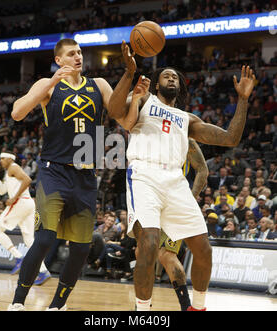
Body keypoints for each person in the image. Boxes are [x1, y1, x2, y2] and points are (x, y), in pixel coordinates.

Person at [108, 40, 255, 311]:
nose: (172, 77)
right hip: (144, 174)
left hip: (175, 180)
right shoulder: (144, 101)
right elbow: (115, 111)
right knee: (149, 244)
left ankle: (197, 308)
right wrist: (129, 74)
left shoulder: (186, 118)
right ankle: (143, 311)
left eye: (175, 76)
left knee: (203, 250)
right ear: (156, 84)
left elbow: (230, 138)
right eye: (166, 75)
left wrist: (243, 100)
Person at [8, 38, 115, 311]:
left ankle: (57, 306)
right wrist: (51, 82)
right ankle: (18, 303)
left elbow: (122, 115)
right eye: (71, 53)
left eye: (80, 52)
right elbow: (17, 112)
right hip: (53, 171)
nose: (78, 56)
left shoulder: (99, 85)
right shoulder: (48, 84)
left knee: (81, 248)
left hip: (86, 177)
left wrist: (134, 91)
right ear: (59, 60)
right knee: (45, 238)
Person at [158, 138, 209, 311]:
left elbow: (203, 170)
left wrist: (191, 197)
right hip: (150, 200)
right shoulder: (148, 133)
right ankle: (141, 304)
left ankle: (187, 306)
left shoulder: (185, 139)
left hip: (175, 203)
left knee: (167, 255)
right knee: (143, 252)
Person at [0, 154, 50, 283]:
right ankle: (43, 271)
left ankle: (18, 257)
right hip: (27, 204)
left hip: (20, 202)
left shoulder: (13, 167)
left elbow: (27, 180)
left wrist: (14, 197)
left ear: (10, 159)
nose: (1, 161)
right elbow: (2, 191)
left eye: (3, 158)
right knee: (29, 240)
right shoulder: (8, 172)